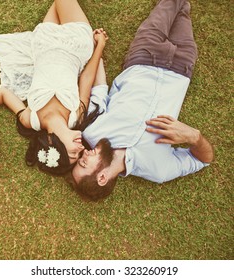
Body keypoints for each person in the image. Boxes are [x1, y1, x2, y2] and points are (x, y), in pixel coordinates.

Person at [71, 0, 214, 201]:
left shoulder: (93, 133)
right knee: (183, 8)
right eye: (84, 163)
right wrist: (195, 137)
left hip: (144, 53)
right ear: (102, 177)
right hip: (182, 65)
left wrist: (98, 49)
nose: (83, 155)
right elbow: (204, 160)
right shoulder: (158, 170)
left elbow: (100, 89)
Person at [0, 0, 108, 174]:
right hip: (76, 45)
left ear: (53, 145)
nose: (81, 148)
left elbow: (3, 93)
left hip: (44, 43)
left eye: (74, 153)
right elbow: (86, 80)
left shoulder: (30, 120)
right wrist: (100, 46)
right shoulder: (77, 117)